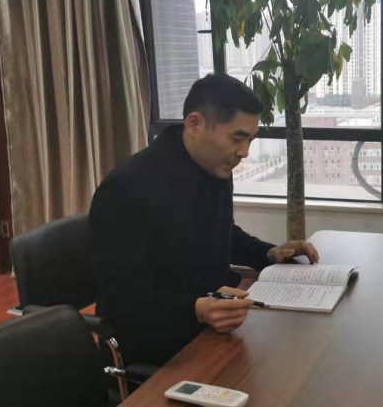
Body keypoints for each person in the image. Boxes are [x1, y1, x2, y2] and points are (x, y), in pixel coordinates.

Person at [90, 74, 319, 366]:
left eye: (250, 140)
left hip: (214, 325)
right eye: (237, 138)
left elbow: (221, 233)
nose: (244, 152)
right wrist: (196, 309)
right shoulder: (126, 188)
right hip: (157, 344)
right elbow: (120, 301)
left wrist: (270, 253)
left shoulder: (213, 166)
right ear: (195, 125)